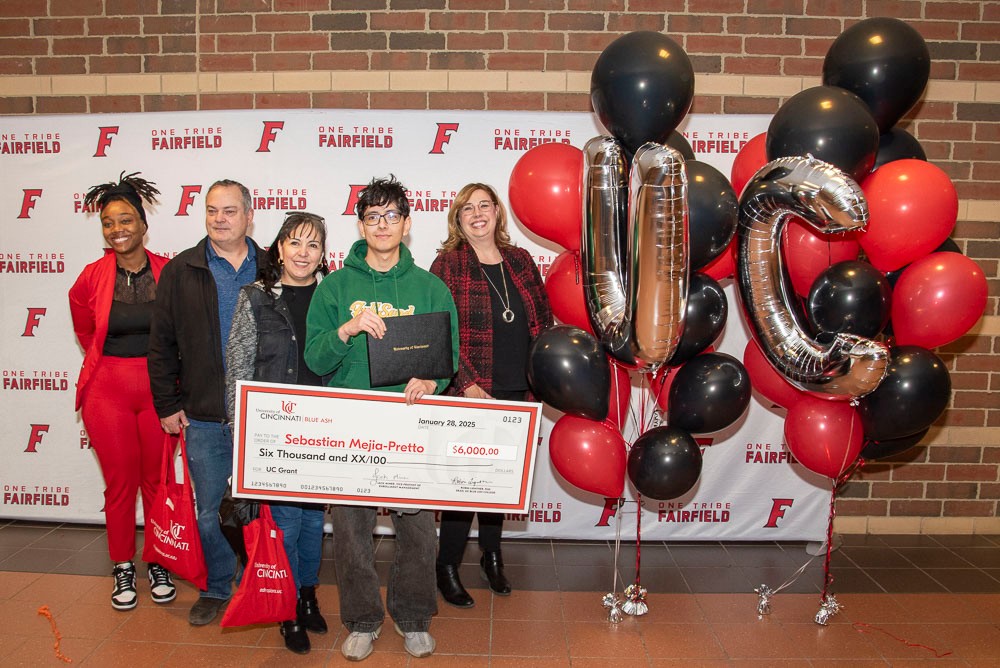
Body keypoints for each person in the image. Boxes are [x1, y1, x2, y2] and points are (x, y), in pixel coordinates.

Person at [304, 175, 459, 662]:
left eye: (392, 215)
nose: (383, 224)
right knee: (351, 528)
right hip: (352, 424)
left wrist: (433, 382)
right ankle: (362, 620)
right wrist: (346, 329)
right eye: (372, 216)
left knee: (418, 529)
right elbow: (314, 358)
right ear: (361, 226)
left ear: (406, 224)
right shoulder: (335, 286)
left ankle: (413, 617)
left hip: (411, 423)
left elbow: (447, 359)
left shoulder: (431, 288)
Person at [148, 179, 266, 626]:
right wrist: (167, 403)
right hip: (204, 415)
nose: (220, 219)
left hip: (263, 415)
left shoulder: (273, 265)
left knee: (262, 511)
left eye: (230, 211)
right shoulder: (181, 270)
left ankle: (262, 583)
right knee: (208, 510)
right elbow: (161, 342)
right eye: (212, 210)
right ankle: (217, 585)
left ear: (249, 215)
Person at [429, 183, 553, 607]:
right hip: (471, 391)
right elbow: (438, 332)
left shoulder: (521, 260)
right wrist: (466, 383)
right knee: (464, 484)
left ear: (497, 212)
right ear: (458, 218)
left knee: (499, 482)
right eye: (468, 208)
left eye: (485, 205)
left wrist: (542, 378)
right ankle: (446, 564)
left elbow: (543, 322)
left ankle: (491, 556)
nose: (477, 213)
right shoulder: (448, 264)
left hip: (519, 389)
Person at [69, 172, 177, 611]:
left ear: (143, 224)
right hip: (107, 391)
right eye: (108, 222)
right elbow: (85, 329)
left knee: (156, 482)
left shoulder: (169, 272)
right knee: (119, 485)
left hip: (159, 390)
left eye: (126, 219)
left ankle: (159, 560)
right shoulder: (90, 277)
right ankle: (122, 565)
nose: (117, 229)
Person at [225, 212, 330, 654]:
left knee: (313, 520)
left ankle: (307, 595)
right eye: (295, 243)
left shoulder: (333, 297)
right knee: (285, 522)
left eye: (313, 245)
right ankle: (286, 609)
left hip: (323, 429)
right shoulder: (255, 297)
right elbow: (238, 368)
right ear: (280, 248)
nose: (303, 253)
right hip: (275, 432)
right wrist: (241, 435)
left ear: (323, 255)